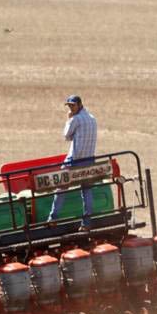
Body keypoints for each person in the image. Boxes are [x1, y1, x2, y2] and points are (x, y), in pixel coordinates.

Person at [48, 95, 97, 230]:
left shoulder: (76, 119)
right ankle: (86, 223)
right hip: (89, 160)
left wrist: (68, 119)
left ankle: (53, 218)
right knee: (87, 190)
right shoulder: (93, 119)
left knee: (61, 188)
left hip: (74, 160)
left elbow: (66, 135)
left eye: (72, 105)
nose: (70, 108)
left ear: (80, 104)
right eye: (69, 105)